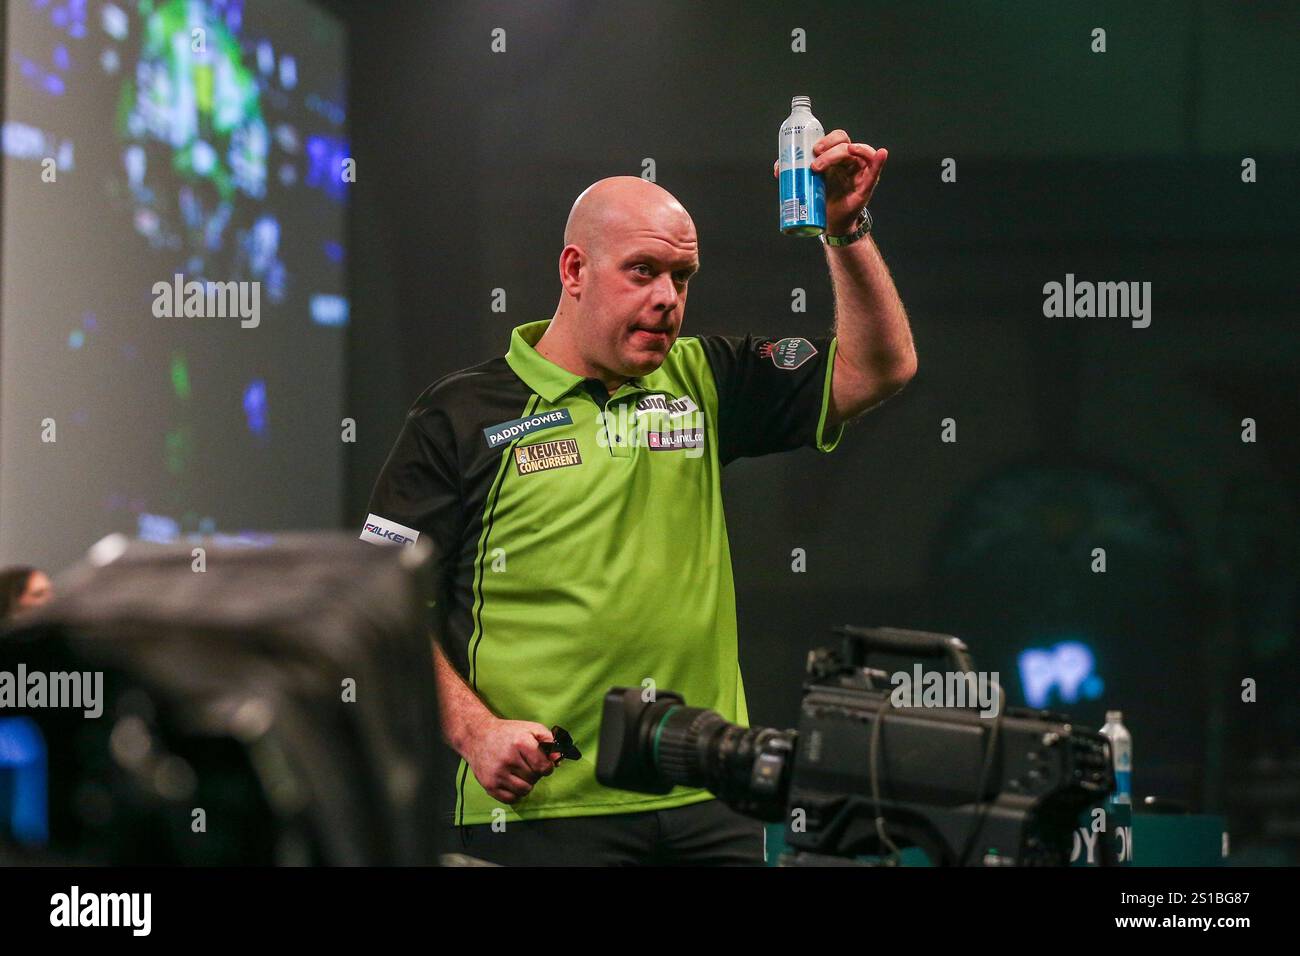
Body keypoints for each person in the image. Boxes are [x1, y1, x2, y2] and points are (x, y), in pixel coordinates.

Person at [363, 130, 915, 865]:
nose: (667, 299)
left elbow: (880, 367)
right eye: (643, 271)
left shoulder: (706, 378)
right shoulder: (463, 416)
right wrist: (474, 732)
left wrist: (845, 230)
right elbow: (377, 600)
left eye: (682, 278)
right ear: (574, 270)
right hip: (539, 807)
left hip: (709, 797)